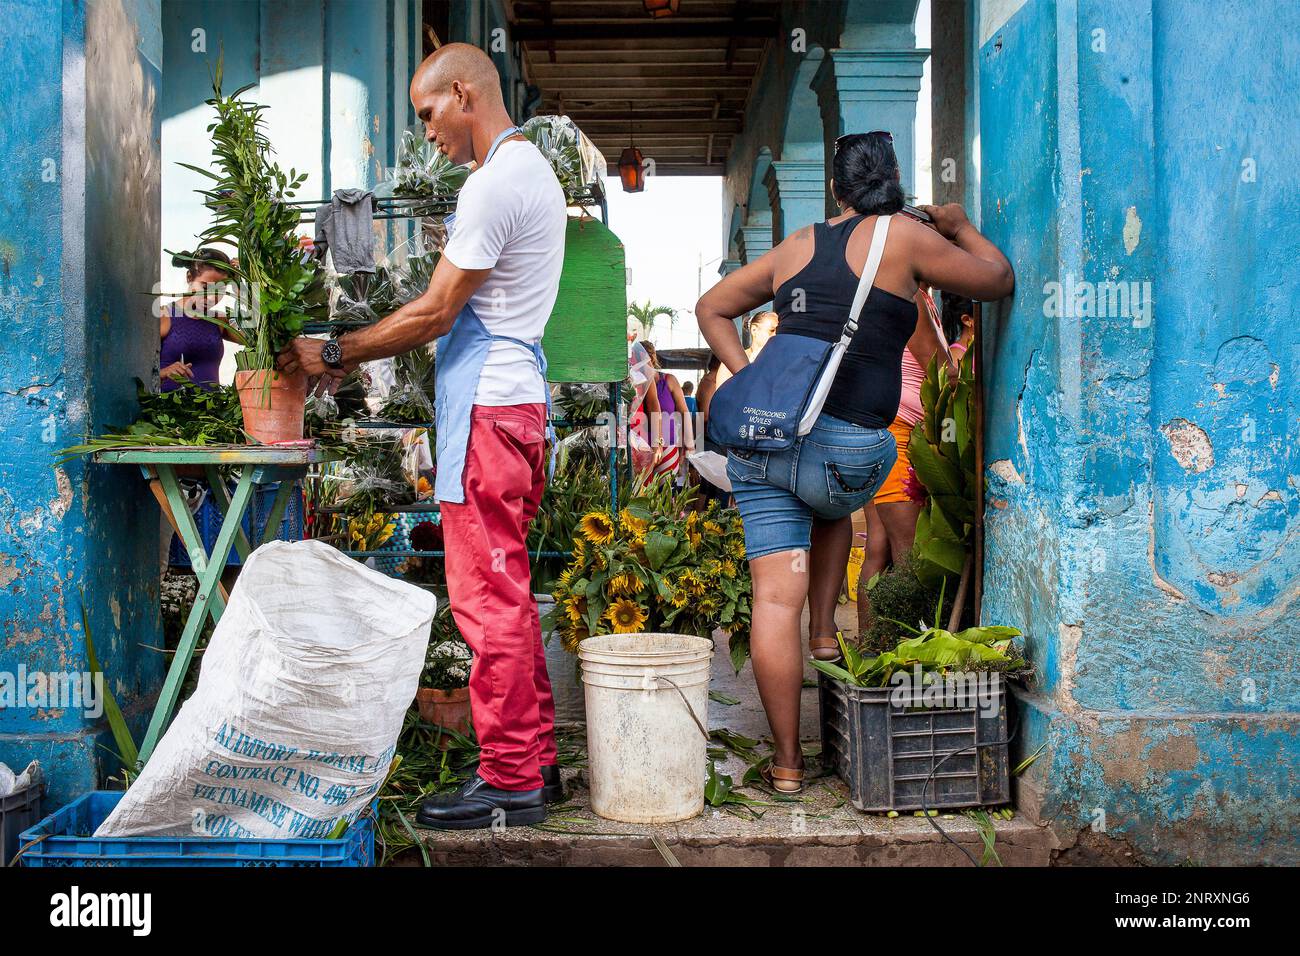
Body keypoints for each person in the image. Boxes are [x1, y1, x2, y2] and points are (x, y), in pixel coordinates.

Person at [279, 42, 567, 830]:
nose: (428, 132)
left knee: (484, 601)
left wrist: (332, 350)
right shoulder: (528, 170)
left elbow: (434, 312)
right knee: (507, 591)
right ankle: (536, 761)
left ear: (465, 93)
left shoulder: (495, 183)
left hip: (487, 411)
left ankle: (509, 778)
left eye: (429, 113)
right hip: (514, 406)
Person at [694, 130, 1014, 793]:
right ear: (892, 181)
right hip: (849, 456)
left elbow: (711, 307)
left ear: (835, 189)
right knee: (834, 498)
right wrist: (960, 226)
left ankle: (787, 765)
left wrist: (749, 377)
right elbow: (997, 279)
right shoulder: (906, 236)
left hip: (765, 450)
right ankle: (824, 636)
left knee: (769, 602)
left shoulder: (796, 245)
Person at [859, 285, 956, 604]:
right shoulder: (909, 295)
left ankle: (871, 645)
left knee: (879, 546)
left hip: (888, 428)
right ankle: (900, 645)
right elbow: (940, 370)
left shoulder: (921, 297)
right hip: (898, 432)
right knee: (907, 550)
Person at [160, 248, 239, 390]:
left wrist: (243, 287)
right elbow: (130, 371)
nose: (210, 297)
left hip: (213, 410)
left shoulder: (219, 320)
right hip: (170, 409)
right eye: (205, 287)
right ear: (189, 277)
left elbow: (256, 338)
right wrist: (162, 373)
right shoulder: (164, 316)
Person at [642, 341, 695, 479]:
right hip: (640, 444)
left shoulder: (668, 380)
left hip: (667, 444)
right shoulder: (635, 382)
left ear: (652, 359)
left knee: (665, 494)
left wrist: (689, 444)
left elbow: (684, 413)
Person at [715, 309, 778, 389]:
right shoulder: (732, 360)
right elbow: (721, 396)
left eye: (779, 331)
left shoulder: (780, 360)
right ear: (754, 330)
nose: (776, 335)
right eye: (772, 330)